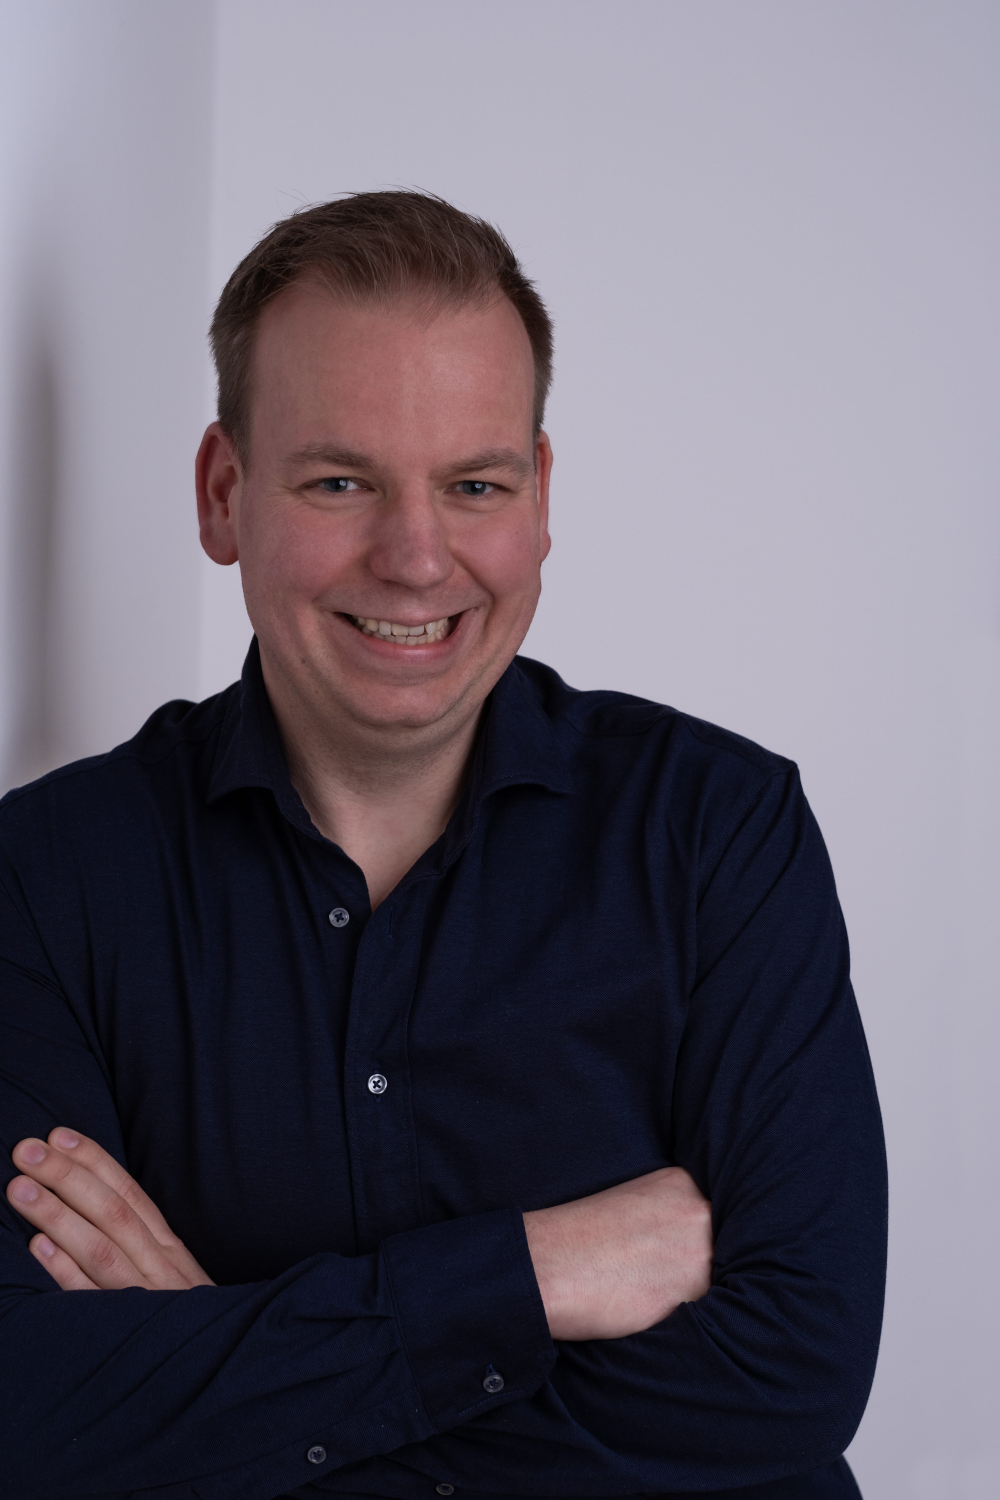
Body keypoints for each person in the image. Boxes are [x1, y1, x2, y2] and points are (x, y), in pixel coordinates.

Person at [0, 192, 886, 1500]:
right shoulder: (45, 878)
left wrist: (223, 1374)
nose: (418, 559)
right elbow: (31, 1409)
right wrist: (535, 1274)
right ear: (223, 493)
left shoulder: (721, 832)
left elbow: (795, 1375)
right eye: (341, 480)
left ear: (539, 499)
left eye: (474, 485)